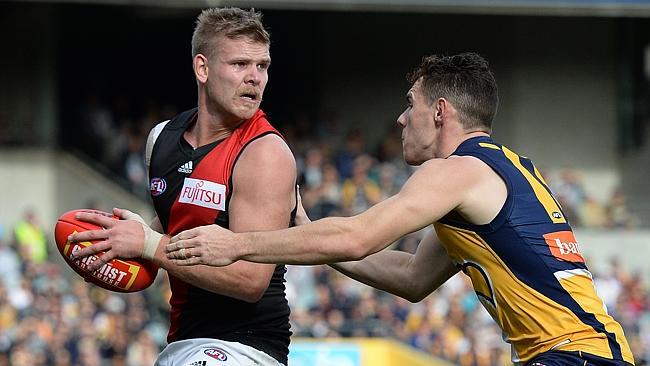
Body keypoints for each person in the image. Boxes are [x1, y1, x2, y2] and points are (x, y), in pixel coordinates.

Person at [165, 53, 635, 366]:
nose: (400, 118)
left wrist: (236, 244)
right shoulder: (504, 169)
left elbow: (357, 236)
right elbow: (412, 277)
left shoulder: (456, 170)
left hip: (571, 357)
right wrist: (306, 231)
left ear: (440, 112)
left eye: (410, 103)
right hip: (594, 353)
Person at [69, 7, 297, 366]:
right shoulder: (161, 139)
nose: (255, 78)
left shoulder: (265, 153)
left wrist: (149, 244)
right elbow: (177, 224)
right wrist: (122, 243)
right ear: (202, 68)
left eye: (263, 65)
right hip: (183, 339)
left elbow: (250, 281)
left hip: (246, 347)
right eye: (240, 64)